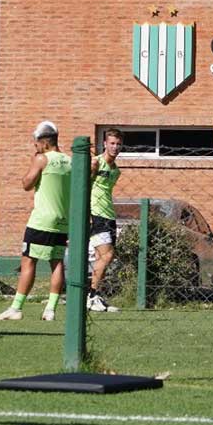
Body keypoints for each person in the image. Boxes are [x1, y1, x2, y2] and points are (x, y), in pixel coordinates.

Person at [0, 121, 71, 322]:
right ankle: (51, 309)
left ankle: (16, 308)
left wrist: (33, 162)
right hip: (62, 222)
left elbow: (26, 184)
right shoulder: (70, 161)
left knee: (28, 262)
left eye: (36, 143)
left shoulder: (42, 159)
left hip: (41, 221)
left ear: (44, 142)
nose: (35, 147)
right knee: (57, 262)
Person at [87, 129, 123, 312]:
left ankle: (95, 296)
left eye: (118, 144)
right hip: (96, 215)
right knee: (107, 256)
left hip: (109, 215)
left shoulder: (116, 171)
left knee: (105, 257)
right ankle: (90, 295)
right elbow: (85, 186)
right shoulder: (96, 163)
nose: (115, 147)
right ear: (105, 144)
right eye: (112, 143)